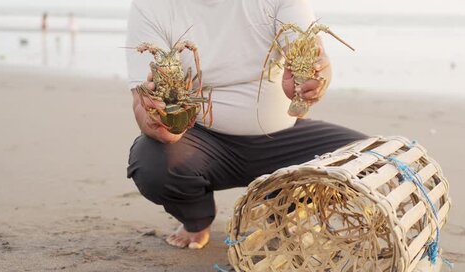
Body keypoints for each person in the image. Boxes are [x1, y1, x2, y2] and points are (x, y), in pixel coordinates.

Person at [125, 0, 366, 249]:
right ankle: (196, 218)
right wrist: (157, 121)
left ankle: (283, 203)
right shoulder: (150, 6)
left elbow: (315, 56)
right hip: (202, 142)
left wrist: (315, 80)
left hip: (285, 138)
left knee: (369, 158)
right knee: (150, 163)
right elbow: (141, 102)